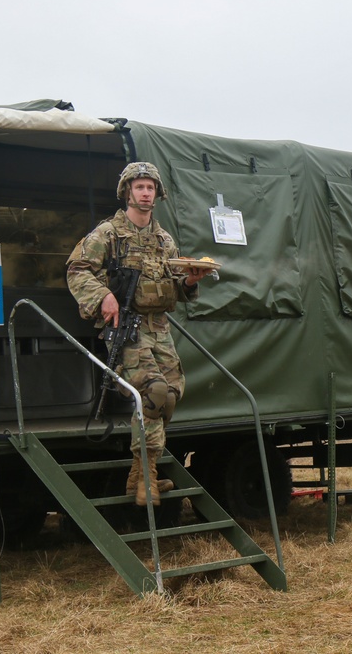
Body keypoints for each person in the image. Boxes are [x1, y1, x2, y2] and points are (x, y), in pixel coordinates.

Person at [67, 162, 213, 506]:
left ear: (157, 194)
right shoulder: (108, 234)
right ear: (127, 191)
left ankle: (138, 474)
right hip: (127, 327)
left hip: (159, 327)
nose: (145, 193)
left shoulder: (164, 239)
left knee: (172, 394)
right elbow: (77, 270)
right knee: (153, 391)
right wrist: (103, 296)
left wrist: (190, 280)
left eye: (150, 187)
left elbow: (175, 285)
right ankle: (147, 478)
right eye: (139, 187)